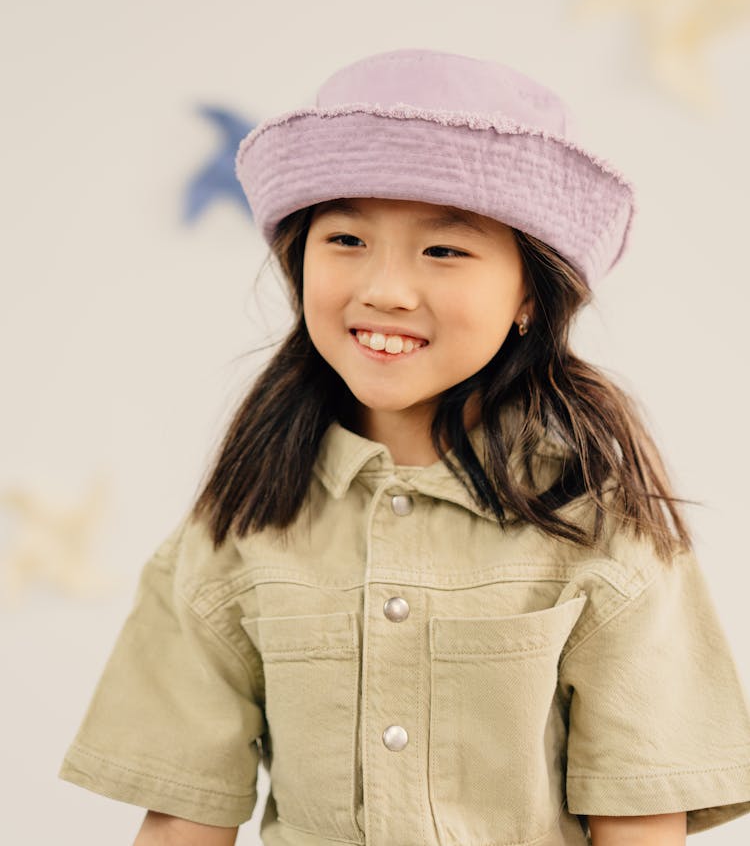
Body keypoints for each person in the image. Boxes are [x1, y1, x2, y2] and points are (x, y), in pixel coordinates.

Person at [59, 48, 750, 846]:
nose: (385, 288)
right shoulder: (237, 526)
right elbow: (184, 821)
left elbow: (639, 825)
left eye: (444, 249)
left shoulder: (604, 527)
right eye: (346, 239)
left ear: (530, 292)